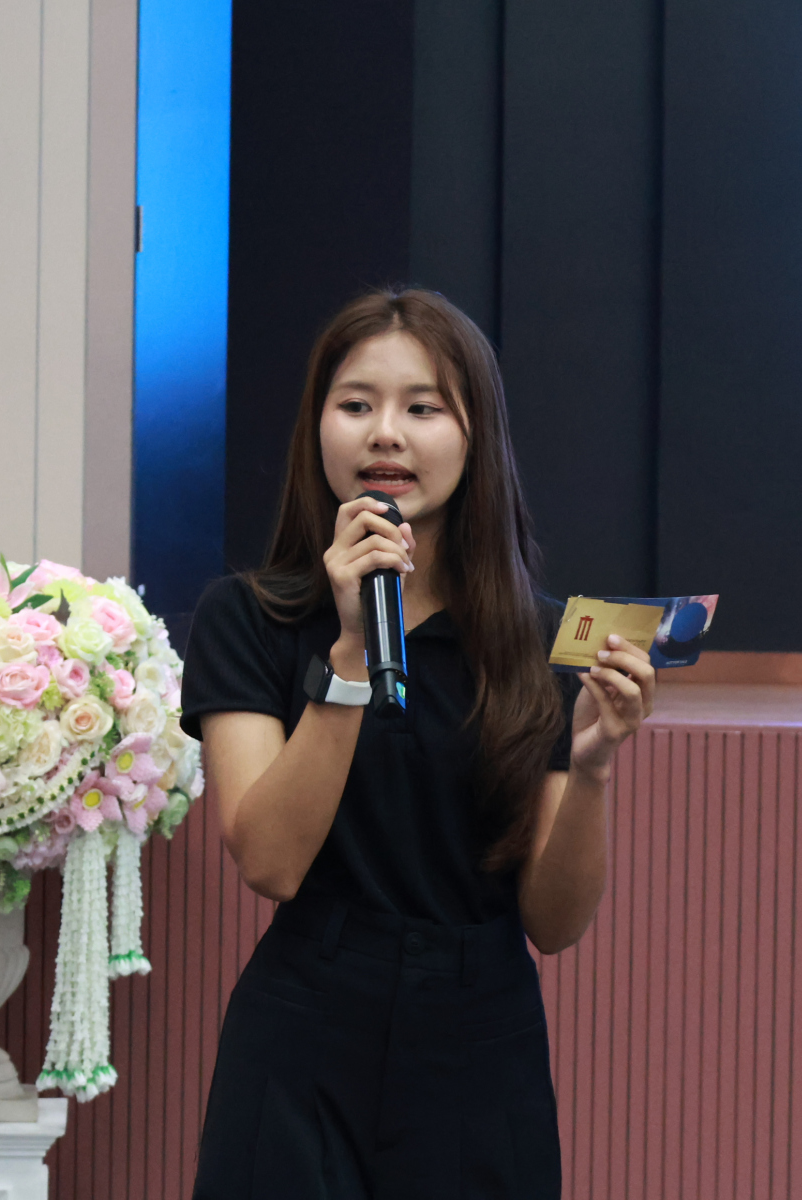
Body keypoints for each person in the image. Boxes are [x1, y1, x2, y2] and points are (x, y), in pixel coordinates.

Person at [182, 288, 655, 1198]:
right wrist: (351, 650)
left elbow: (555, 925)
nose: (385, 435)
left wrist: (594, 766)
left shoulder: (542, 640)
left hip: (479, 1041)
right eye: (356, 404)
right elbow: (270, 862)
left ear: (477, 436)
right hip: (304, 1029)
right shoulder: (247, 617)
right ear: (317, 427)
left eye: (423, 408)